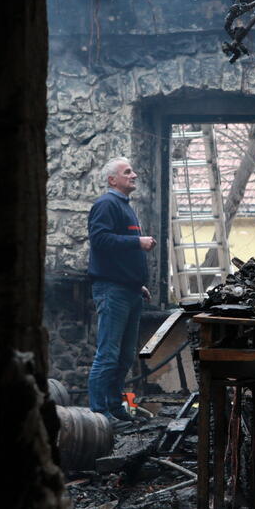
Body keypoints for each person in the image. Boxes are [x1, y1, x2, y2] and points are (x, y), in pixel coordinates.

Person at [86, 156, 156, 430]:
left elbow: (118, 254)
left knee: (125, 355)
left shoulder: (125, 207)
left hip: (128, 291)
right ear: (112, 179)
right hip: (112, 291)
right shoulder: (106, 205)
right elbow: (100, 240)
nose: (134, 175)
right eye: (127, 172)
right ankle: (98, 415)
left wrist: (136, 284)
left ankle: (115, 408)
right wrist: (136, 241)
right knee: (108, 354)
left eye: (133, 170)